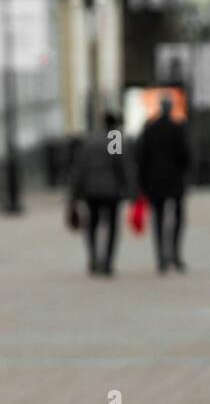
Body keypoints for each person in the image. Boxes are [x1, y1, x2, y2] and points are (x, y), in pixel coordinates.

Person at [69, 111, 130, 276]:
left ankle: (94, 258)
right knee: (111, 227)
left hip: (91, 191)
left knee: (92, 226)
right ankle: (107, 262)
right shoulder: (114, 138)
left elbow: (80, 168)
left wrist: (75, 194)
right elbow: (121, 166)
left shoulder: (90, 139)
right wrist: (128, 187)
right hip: (111, 191)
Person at [136, 97, 191, 273]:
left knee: (158, 219)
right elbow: (186, 155)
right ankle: (174, 253)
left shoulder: (149, 128)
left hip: (155, 182)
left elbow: (141, 157)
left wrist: (142, 182)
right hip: (174, 181)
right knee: (178, 218)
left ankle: (161, 257)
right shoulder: (178, 128)